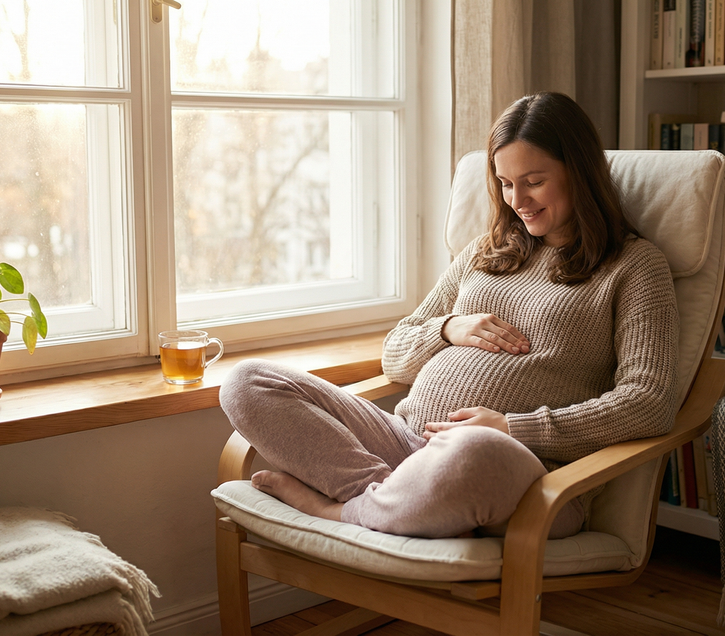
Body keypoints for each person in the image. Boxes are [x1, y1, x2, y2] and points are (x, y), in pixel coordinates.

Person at [220, 92, 679, 539]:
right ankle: (383, 499)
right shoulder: (489, 251)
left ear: (579, 173)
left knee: (473, 449)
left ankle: (337, 509)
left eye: (534, 181)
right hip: (403, 442)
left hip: (519, 470)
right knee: (246, 382)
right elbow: (395, 354)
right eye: (504, 182)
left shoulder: (634, 267)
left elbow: (648, 403)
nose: (517, 199)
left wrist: (509, 426)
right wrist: (448, 328)